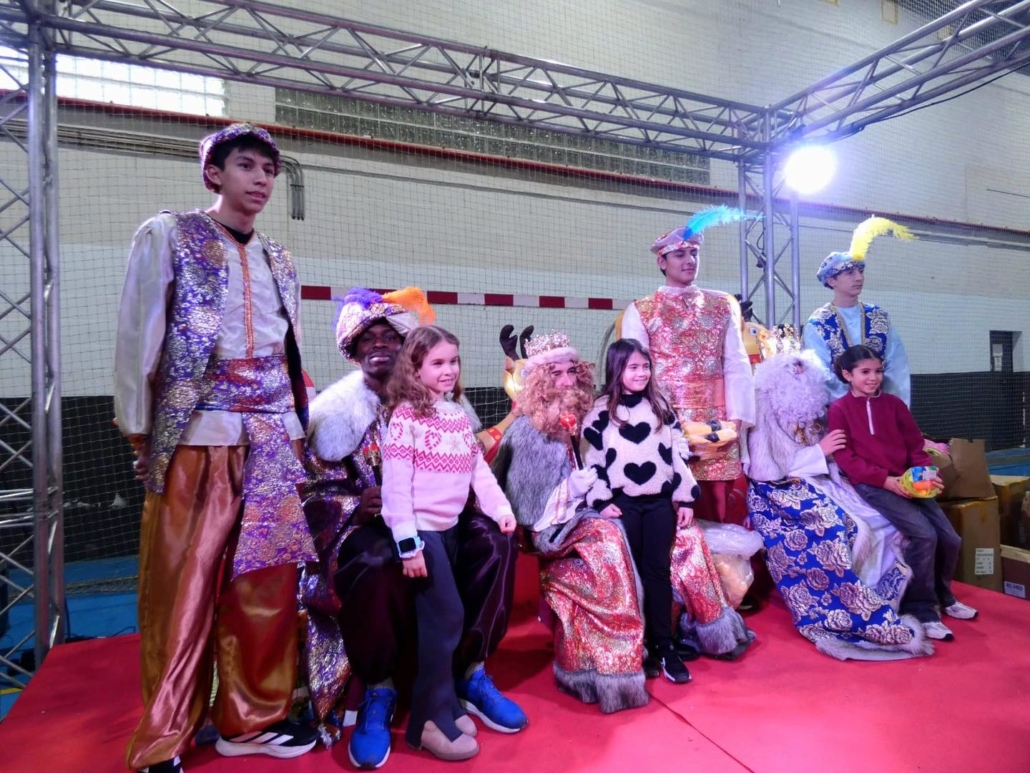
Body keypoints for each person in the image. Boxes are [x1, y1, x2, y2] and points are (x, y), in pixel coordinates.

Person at [113, 124, 318, 773]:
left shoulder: (281, 258)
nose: (260, 180)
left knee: (266, 589)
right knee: (184, 589)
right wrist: (142, 432)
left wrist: (299, 428)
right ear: (214, 174)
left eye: (269, 171)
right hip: (199, 436)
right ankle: (165, 736)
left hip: (273, 441)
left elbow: (289, 351)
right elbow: (138, 336)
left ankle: (250, 719)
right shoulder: (169, 235)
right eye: (246, 166)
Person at [301, 288, 525, 769]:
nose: (380, 344)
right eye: (369, 338)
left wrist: (497, 508)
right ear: (353, 349)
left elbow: (472, 470)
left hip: (438, 520)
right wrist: (355, 504)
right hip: (374, 529)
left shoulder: (448, 410)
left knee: (495, 542)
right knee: (379, 562)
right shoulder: (334, 415)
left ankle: (468, 670)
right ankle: (379, 687)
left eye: (390, 336)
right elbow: (313, 494)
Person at [492, 332, 752, 712]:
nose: (566, 381)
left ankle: (686, 634)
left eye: (571, 372)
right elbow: (530, 499)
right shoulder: (531, 429)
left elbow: (668, 452)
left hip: (640, 502)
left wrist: (681, 496)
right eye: (555, 374)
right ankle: (620, 657)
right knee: (613, 543)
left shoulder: (600, 410)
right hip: (561, 522)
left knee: (685, 540)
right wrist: (583, 493)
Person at [381, 325, 522, 761]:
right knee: (445, 620)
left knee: (448, 622)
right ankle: (426, 720)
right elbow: (395, 484)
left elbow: (478, 471)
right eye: (437, 363)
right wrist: (408, 544)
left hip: (451, 529)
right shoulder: (406, 417)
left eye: (453, 361)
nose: (448, 370)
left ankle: (446, 705)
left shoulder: (456, 414)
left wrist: (500, 508)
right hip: (422, 532)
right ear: (414, 368)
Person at [746, 346, 933, 660]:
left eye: (804, 371)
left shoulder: (818, 405)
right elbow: (767, 468)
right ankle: (849, 610)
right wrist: (819, 451)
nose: (800, 377)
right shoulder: (765, 406)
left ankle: (885, 599)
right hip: (779, 490)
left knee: (882, 519)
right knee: (838, 529)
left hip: (825, 477)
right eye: (792, 372)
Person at [827, 345, 978, 642]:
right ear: (847, 375)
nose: (873, 378)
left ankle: (945, 597)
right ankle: (920, 609)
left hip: (909, 481)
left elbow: (914, 446)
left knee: (950, 538)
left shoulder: (894, 405)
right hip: (873, 485)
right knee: (924, 535)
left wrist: (926, 473)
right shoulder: (839, 410)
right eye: (865, 372)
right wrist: (886, 481)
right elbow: (847, 459)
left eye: (878, 371)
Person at [620, 206, 756, 524]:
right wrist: (648, 424)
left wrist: (736, 422)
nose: (689, 260)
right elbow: (633, 373)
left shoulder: (722, 305)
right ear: (662, 262)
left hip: (718, 425)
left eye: (694, 253)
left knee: (719, 509)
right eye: (679, 254)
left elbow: (736, 364)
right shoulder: (641, 310)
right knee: (669, 510)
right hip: (665, 423)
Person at [582, 339, 698, 684]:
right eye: (633, 367)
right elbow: (593, 459)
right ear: (617, 369)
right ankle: (637, 645)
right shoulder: (601, 410)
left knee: (657, 572)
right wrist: (601, 500)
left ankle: (664, 645)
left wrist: (685, 497)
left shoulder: (659, 404)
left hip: (659, 503)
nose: (641, 373)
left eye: (645, 366)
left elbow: (678, 452)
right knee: (629, 578)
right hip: (624, 505)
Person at [804, 216, 914, 405]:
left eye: (860, 271)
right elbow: (819, 374)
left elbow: (896, 365)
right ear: (832, 281)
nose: (859, 278)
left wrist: (895, 408)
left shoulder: (878, 316)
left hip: (881, 408)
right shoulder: (819, 323)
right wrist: (853, 406)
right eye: (850, 273)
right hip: (839, 412)